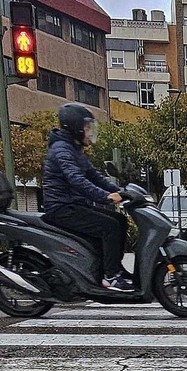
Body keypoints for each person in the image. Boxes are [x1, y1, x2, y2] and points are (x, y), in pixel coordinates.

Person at [42, 102, 130, 291]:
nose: (90, 132)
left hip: (74, 204)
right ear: (75, 128)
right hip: (62, 208)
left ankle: (114, 269)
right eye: (87, 127)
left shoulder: (74, 149)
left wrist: (121, 191)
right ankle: (110, 277)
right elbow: (77, 180)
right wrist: (106, 197)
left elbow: (94, 176)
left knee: (120, 221)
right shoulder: (61, 150)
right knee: (110, 227)